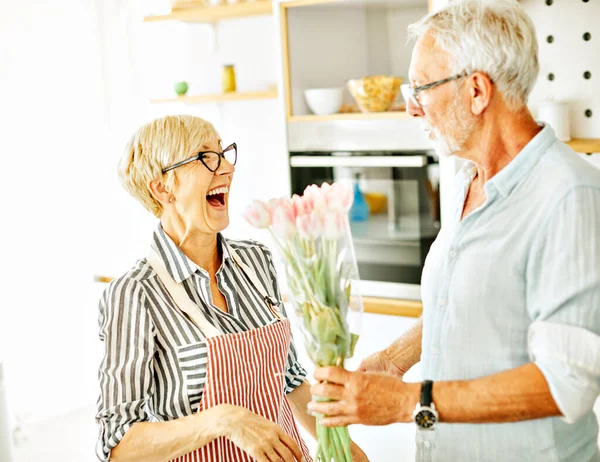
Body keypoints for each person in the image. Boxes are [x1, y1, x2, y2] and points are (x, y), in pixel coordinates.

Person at [307, 1, 600, 461]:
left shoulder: (568, 194)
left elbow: (567, 386)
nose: (410, 108)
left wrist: (407, 403)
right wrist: (392, 360)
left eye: (421, 89)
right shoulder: (464, 180)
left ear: (478, 91)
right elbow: (470, 302)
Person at [95, 115, 368, 462]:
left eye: (223, 153)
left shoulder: (256, 261)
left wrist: (345, 448)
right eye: (205, 157)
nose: (226, 168)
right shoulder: (134, 294)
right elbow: (118, 444)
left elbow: (290, 379)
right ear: (163, 189)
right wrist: (221, 420)